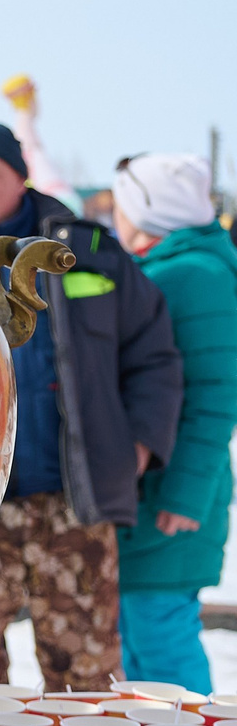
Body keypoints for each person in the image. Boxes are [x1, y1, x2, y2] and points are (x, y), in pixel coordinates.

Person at [0, 121, 182, 689]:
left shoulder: (86, 251)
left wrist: (138, 446)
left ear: (20, 178)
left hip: (72, 504)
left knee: (84, 677)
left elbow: (155, 355)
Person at [110, 154, 235, 694]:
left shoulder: (195, 275)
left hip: (174, 499)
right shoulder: (169, 267)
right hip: (152, 492)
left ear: (144, 207)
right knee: (137, 638)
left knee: (161, 635)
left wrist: (183, 496)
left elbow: (214, 396)